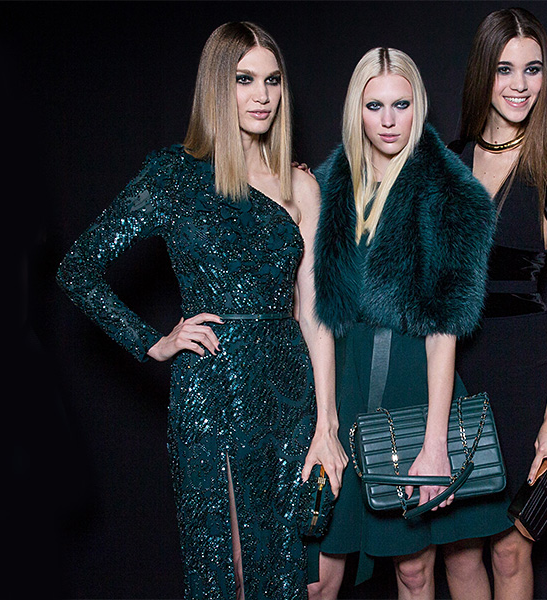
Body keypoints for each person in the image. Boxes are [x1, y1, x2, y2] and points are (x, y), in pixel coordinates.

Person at [57, 22, 347, 600]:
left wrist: (327, 424)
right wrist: (151, 340)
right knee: (228, 569)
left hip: (286, 392)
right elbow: (77, 267)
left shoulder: (301, 187)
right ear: (217, 85)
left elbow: (316, 316)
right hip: (210, 389)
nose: (262, 96)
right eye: (245, 80)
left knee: (283, 572)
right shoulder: (175, 175)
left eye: (272, 81)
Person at [306, 47, 510, 600]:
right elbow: (308, 298)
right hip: (339, 383)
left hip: (413, 385)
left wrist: (435, 442)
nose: (389, 120)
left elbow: (445, 331)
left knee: (414, 570)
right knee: (318, 576)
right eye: (375, 105)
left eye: (402, 104)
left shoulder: (451, 193)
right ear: (356, 109)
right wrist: (323, 420)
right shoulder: (324, 187)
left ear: (419, 105)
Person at [448, 7, 547, 600]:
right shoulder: (445, 163)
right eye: (505, 69)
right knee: (458, 552)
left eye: (533, 69)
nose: (520, 85)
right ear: (484, 72)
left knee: (510, 549)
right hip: (450, 372)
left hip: (526, 375)